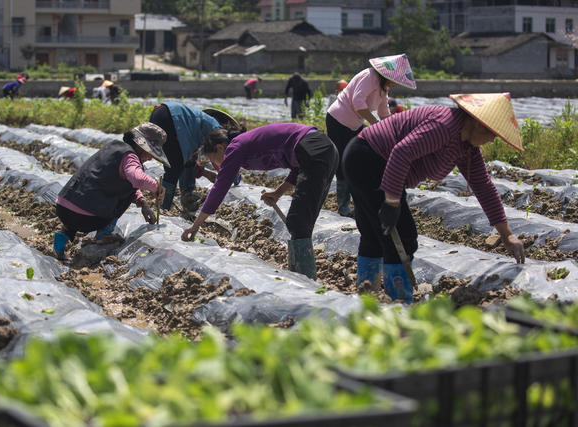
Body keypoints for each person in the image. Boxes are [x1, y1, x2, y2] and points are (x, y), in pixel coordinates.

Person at [342, 92, 526, 303]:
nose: (492, 139)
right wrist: (392, 202)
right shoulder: (445, 127)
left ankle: (367, 299)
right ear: (479, 124)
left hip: (366, 157)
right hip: (368, 158)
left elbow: (483, 186)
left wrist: (507, 235)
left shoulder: (467, 148)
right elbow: (401, 152)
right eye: (493, 134)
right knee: (402, 237)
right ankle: (399, 306)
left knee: (376, 235)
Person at [181, 123, 338, 280]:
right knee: (303, 221)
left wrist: (195, 225)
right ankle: (305, 278)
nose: (215, 164)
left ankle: (305, 282)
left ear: (220, 148)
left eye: (212, 159)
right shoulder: (242, 145)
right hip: (323, 149)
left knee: (298, 221)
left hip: (314, 149)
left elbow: (220, 189)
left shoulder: (235, 148)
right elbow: (297, 166)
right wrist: (278, 192)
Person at [53, 123, 168, 260]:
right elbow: (136, 179)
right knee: (121, 196)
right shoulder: (130, 157)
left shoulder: (112, 148)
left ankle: (62, 238)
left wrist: (143, 204)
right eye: (150, 153)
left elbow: (122, 183)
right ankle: (104, 235)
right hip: (88, 217)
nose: (149, 158)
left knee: (92, 193)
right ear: (140, 146)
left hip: (64, 208)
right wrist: (157, 186)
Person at [326, 54, 416, 218]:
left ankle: (360, 204)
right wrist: (375, 124)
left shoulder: (384, 87)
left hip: (354, 123)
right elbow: (357, 102)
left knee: (358, 161)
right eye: (397, 80)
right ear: (389, 75)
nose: (396, 84)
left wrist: (394, 130)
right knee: (343, 163)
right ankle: (343, 207)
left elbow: (384, 112)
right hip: (338, 120)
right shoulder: (370, 76)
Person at [149, 102, 233, 213]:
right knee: (174, 167)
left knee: (184, 161)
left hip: (162, 114)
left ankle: (186, 196)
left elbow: (190, 160)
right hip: (169, 118)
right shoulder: (216, 130)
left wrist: (205, 173)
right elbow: (218, 159)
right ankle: (163, 208)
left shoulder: (202, 127)